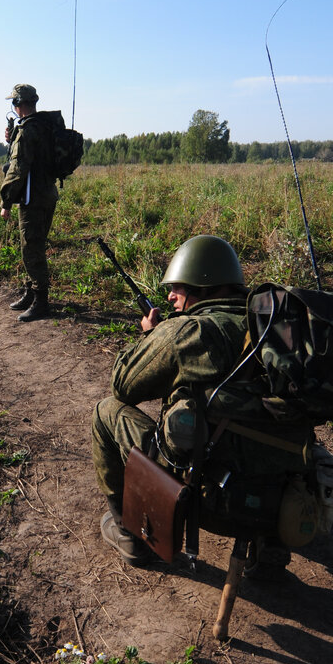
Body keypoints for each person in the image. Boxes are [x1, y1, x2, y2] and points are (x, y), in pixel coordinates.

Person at [91, 235, 250, 564]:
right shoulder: (272, 326)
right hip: (275, 492)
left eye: (178, 287)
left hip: (208, 494)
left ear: (202, 286)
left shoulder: (188, 332)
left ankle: (131, 535)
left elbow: (123, 384)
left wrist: (152, 336)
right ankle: (270, 554)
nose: (170, 296)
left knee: (106, 411)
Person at [0, 84, 59, 322]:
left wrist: (6, 201)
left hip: (32, 198)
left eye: (14, 103)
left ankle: (41, 302)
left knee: (31, 249)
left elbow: (18, 169)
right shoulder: (46, 126)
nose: (13, 107)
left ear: (18, 105)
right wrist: (12, 138)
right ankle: (30, 292)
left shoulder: (27, 131)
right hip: (48, 194)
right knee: (34, 245)